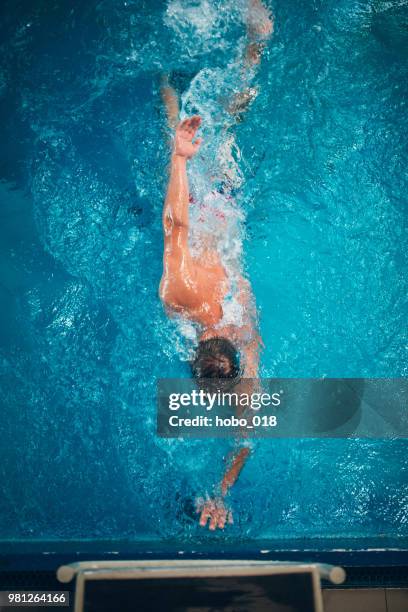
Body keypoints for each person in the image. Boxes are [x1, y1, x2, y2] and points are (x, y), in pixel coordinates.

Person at [159, 0, 273, 531]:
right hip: (217, 201)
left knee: (219, 127)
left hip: (219, 202)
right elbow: (245, 438)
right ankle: (250, 44)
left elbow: (176, 226)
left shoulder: (190, 301)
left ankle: (246, 47)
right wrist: (221, 493)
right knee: (214, 126)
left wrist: (219, 494)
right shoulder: (214, 320)